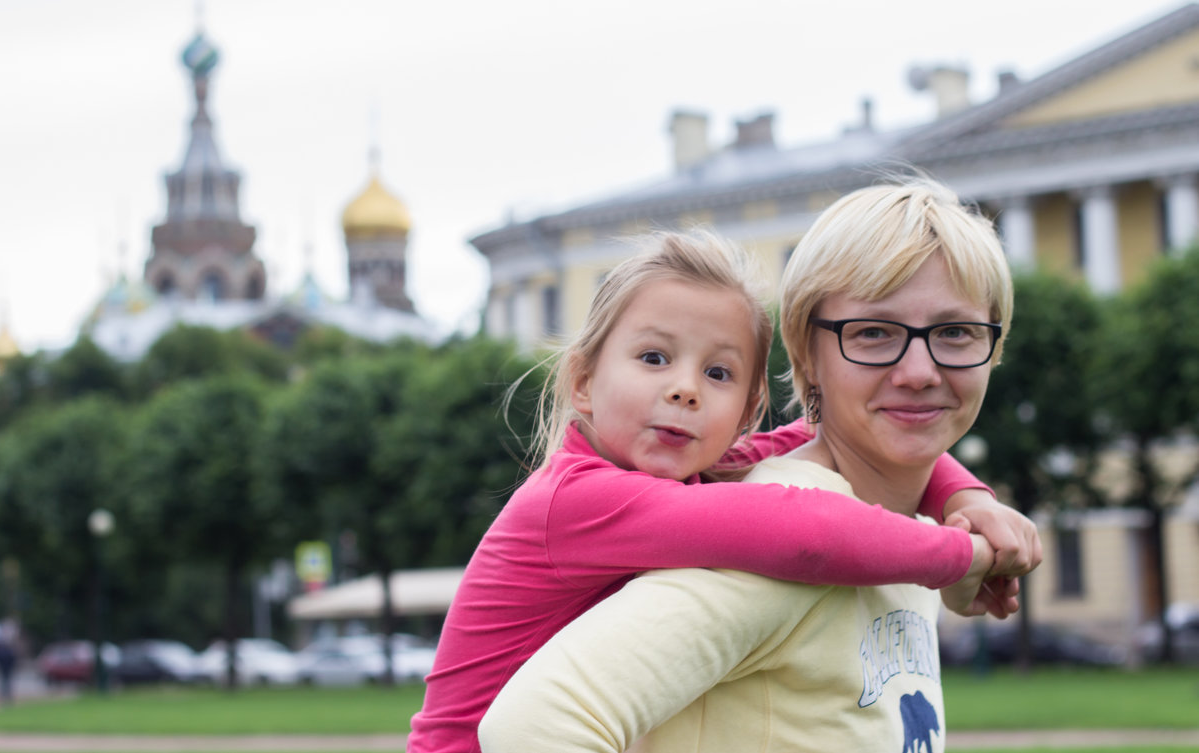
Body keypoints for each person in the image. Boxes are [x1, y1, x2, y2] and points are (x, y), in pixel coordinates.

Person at [410, 229, 1038, 753]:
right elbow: (811, 533)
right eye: (654, 358)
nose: (686, 389)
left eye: (718, 373)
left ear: (745, 414)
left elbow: (888, 428)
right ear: (582, 381)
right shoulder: (579, 498)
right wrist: (966, 555)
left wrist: (968, 499)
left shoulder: (699, 473)